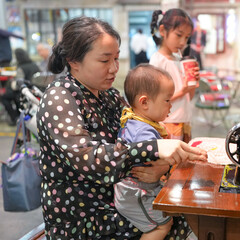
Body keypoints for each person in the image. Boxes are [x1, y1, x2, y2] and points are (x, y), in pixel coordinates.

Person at [37, 16, 207, 240]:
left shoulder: (109, 96)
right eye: (105, 60)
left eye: (116, 59)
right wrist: (153, 149)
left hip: (121, 203)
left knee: (191, 216)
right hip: (84, 218)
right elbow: (88, 159)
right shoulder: (59, 97)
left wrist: (160, 167)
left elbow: (138, 133)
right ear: (73, 60)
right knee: (180, 225)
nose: (114, 68)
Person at [115, 64, 175, 240]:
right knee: (162, 225)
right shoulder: (144, 133)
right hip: (136, 194)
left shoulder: (135, 121)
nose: (171, 105)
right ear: (145, 102)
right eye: (167, 100)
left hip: (135, 190)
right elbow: (160, 159)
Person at [150, 8, 199, 143]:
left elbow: (188, 97)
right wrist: (183, 90)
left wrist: (192, 84)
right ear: (162, 31)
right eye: (179, 35)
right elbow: (156, 100)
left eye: (187, 37)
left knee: (184, 160)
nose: (183, 42)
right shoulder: (157, 60)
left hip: (184, 119)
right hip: (169, 122)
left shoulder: (179, 58)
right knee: (173, 161)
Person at [1, 48, 40, 125]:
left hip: (24, 93)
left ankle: (15, 117)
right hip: (35, 91)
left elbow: (17, 85)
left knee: (4, 97)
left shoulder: (21, 68)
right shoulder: (35, 65)